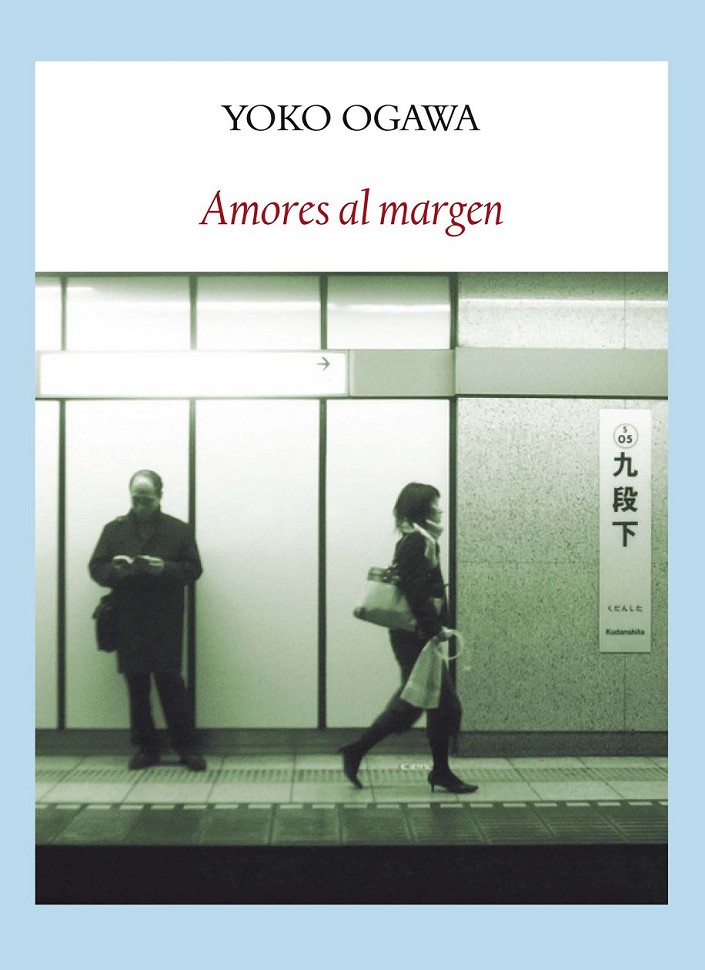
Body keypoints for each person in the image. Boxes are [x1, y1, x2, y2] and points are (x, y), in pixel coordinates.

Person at [340, 482, 478, 794]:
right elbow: (416, 591)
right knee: (441, 705)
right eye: (434, 504)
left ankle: (361, 751)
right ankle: (434, 770)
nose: (439, 509)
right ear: (421, 508)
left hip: (415, 634)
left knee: (417, 704)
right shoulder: (417, 541)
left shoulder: (421, 539)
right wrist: (434, 627)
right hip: (414, 636)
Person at [89, 470, 206, 771]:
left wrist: (164, 569)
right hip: (128, 617)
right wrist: (115, 571)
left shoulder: (178, 530)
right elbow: (97, 568)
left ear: (159, 497)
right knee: (136, 685)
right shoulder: (114, 530)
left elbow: (193, 570)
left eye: (147, 499)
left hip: (165, 617)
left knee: (171, 682)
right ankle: (146, 747)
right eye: (136, 499)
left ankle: (186, 747)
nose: (141, 505)